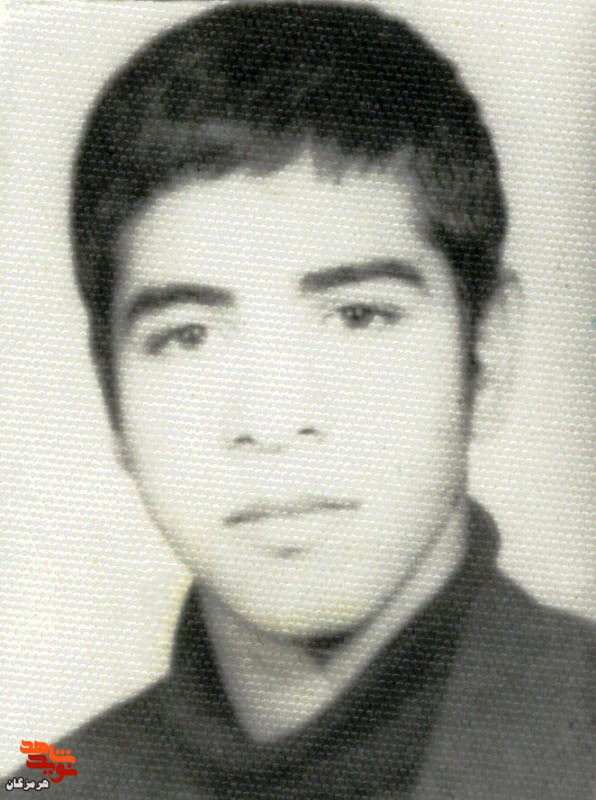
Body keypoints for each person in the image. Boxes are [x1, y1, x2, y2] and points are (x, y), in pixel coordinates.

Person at [9, 2, 594, 797]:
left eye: (358, 317)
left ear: (485, 354)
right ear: (111, 390)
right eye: (189, 335)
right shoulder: (51, 784)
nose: (274, 421)